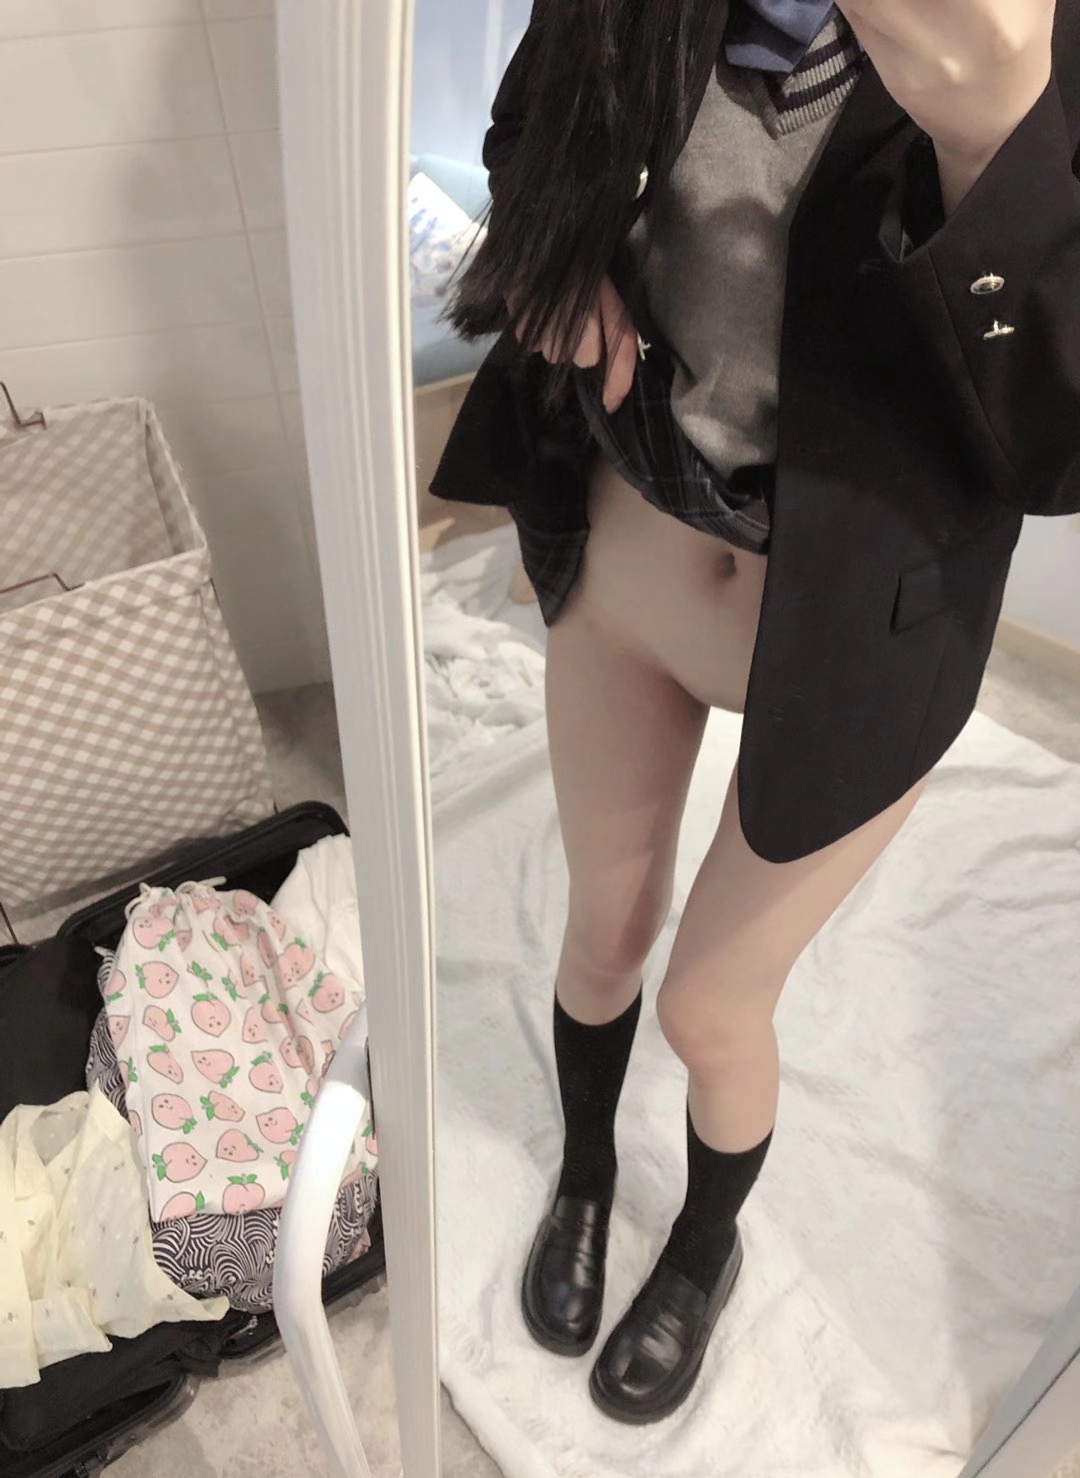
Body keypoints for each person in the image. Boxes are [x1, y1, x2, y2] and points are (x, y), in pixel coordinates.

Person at [430, 0, 1078, 1425]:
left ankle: (703, 1247)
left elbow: (1058, 444)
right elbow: (527, 127)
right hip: (633, 555)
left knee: (714, 1005)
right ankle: (585, 1172)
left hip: (863, 631)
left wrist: (997, 139)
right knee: (604, 931)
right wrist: (555, 269)